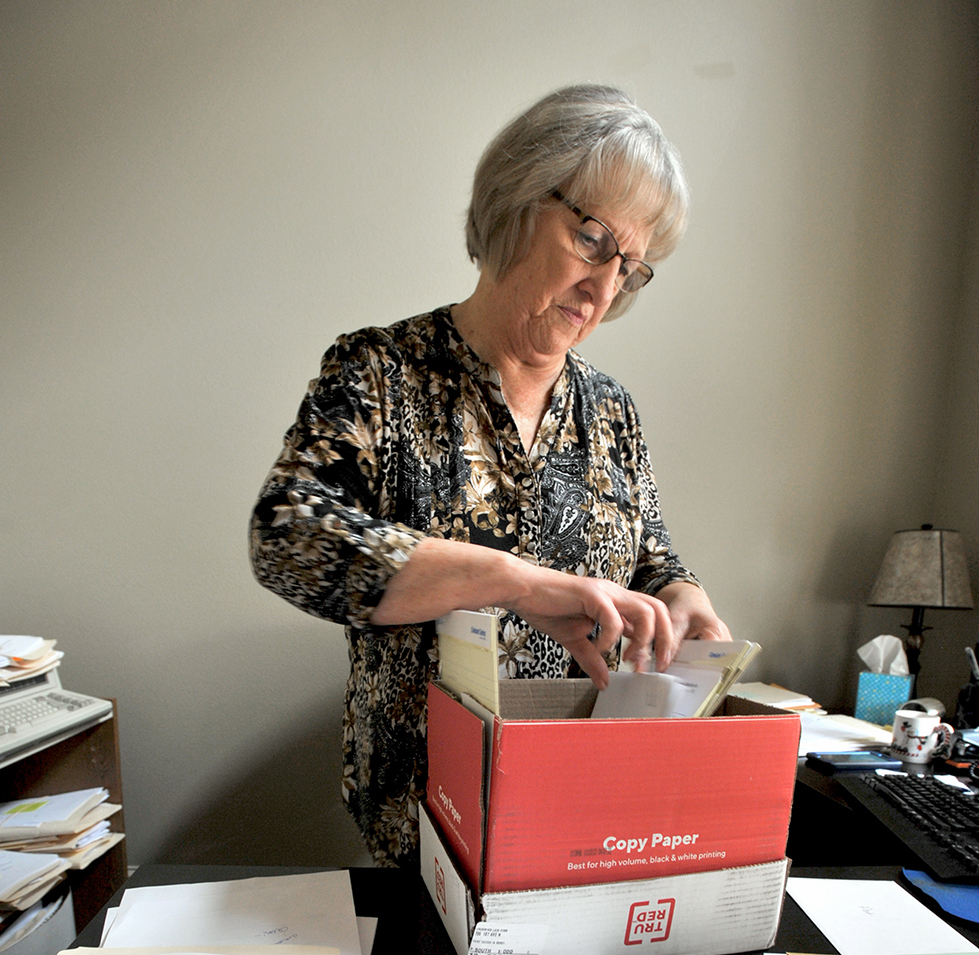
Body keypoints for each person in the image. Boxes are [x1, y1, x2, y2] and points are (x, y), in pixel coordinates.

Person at [250, 84, 729, 867]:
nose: (605, 288)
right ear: (516, 204)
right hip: (422, 824)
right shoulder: (382, 371)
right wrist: (509, 581)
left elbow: (648, 555)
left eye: (631, 269)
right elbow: (286, 535)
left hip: (581, 822)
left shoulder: (613, 410)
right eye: (593, 241)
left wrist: (681, 593)